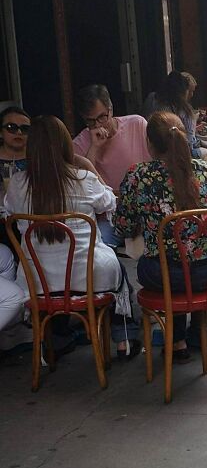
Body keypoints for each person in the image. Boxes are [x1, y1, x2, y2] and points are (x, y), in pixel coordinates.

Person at [6, 115, 140, 360]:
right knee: (119, 273)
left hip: (38, 281)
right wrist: (87, 167)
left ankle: (57, 339)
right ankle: (124, 340)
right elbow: (110, 203)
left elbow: (9, 212)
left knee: (56, 285)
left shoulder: (17, 184)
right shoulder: (83, 180)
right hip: (90, 276)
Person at [115, 112, 207, 363]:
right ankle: (194, 334)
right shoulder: (204, 170)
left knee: (163, 262)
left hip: (163, 275)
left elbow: (123, 227)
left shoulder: (137, 176)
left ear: (149, 143)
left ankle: (177, 341)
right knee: (185, 261)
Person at [73, 84, 151, 195]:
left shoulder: (137, 124)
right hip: (107, 205)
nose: (98, 125)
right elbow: (81, 185)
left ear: (110, 110)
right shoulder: (79, 143)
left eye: (102, 117)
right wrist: (94, 147)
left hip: (143, 197)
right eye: (90, 121)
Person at [155, 71, 202, 158]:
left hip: (160, 150)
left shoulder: (154, 102)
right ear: (184, 91)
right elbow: (189, 142)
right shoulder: (185, 111)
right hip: (182, 152)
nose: (191, 95)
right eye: (190, 91)